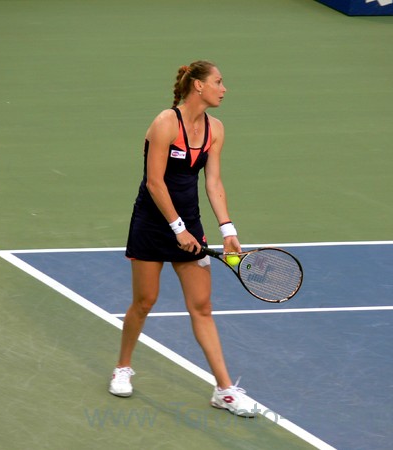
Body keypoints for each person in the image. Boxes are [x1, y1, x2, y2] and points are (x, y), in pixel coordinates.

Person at [109, 60, 258, 418]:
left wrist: (228, 229)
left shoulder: (216, 129)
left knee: (202, 306)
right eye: (219, 82)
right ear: (198, 87)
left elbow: (213, 182)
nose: (224, 89)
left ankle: (224, 390)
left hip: (189, 222)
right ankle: (123, 367)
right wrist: (178, 229)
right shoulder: (165, 123)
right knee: (145, 301)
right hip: (153, 222)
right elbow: (154, 182)